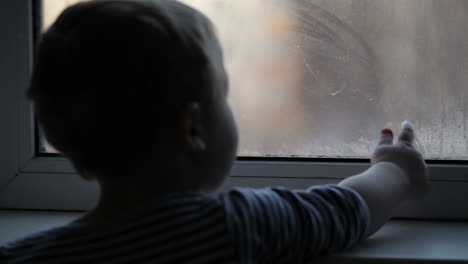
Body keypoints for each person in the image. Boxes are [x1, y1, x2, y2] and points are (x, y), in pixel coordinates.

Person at [0, 0, 428, 263]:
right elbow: (345, 210)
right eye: (223, 94)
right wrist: (396, 171)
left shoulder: (29, 254)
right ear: (193, 127)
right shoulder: (232, 226)